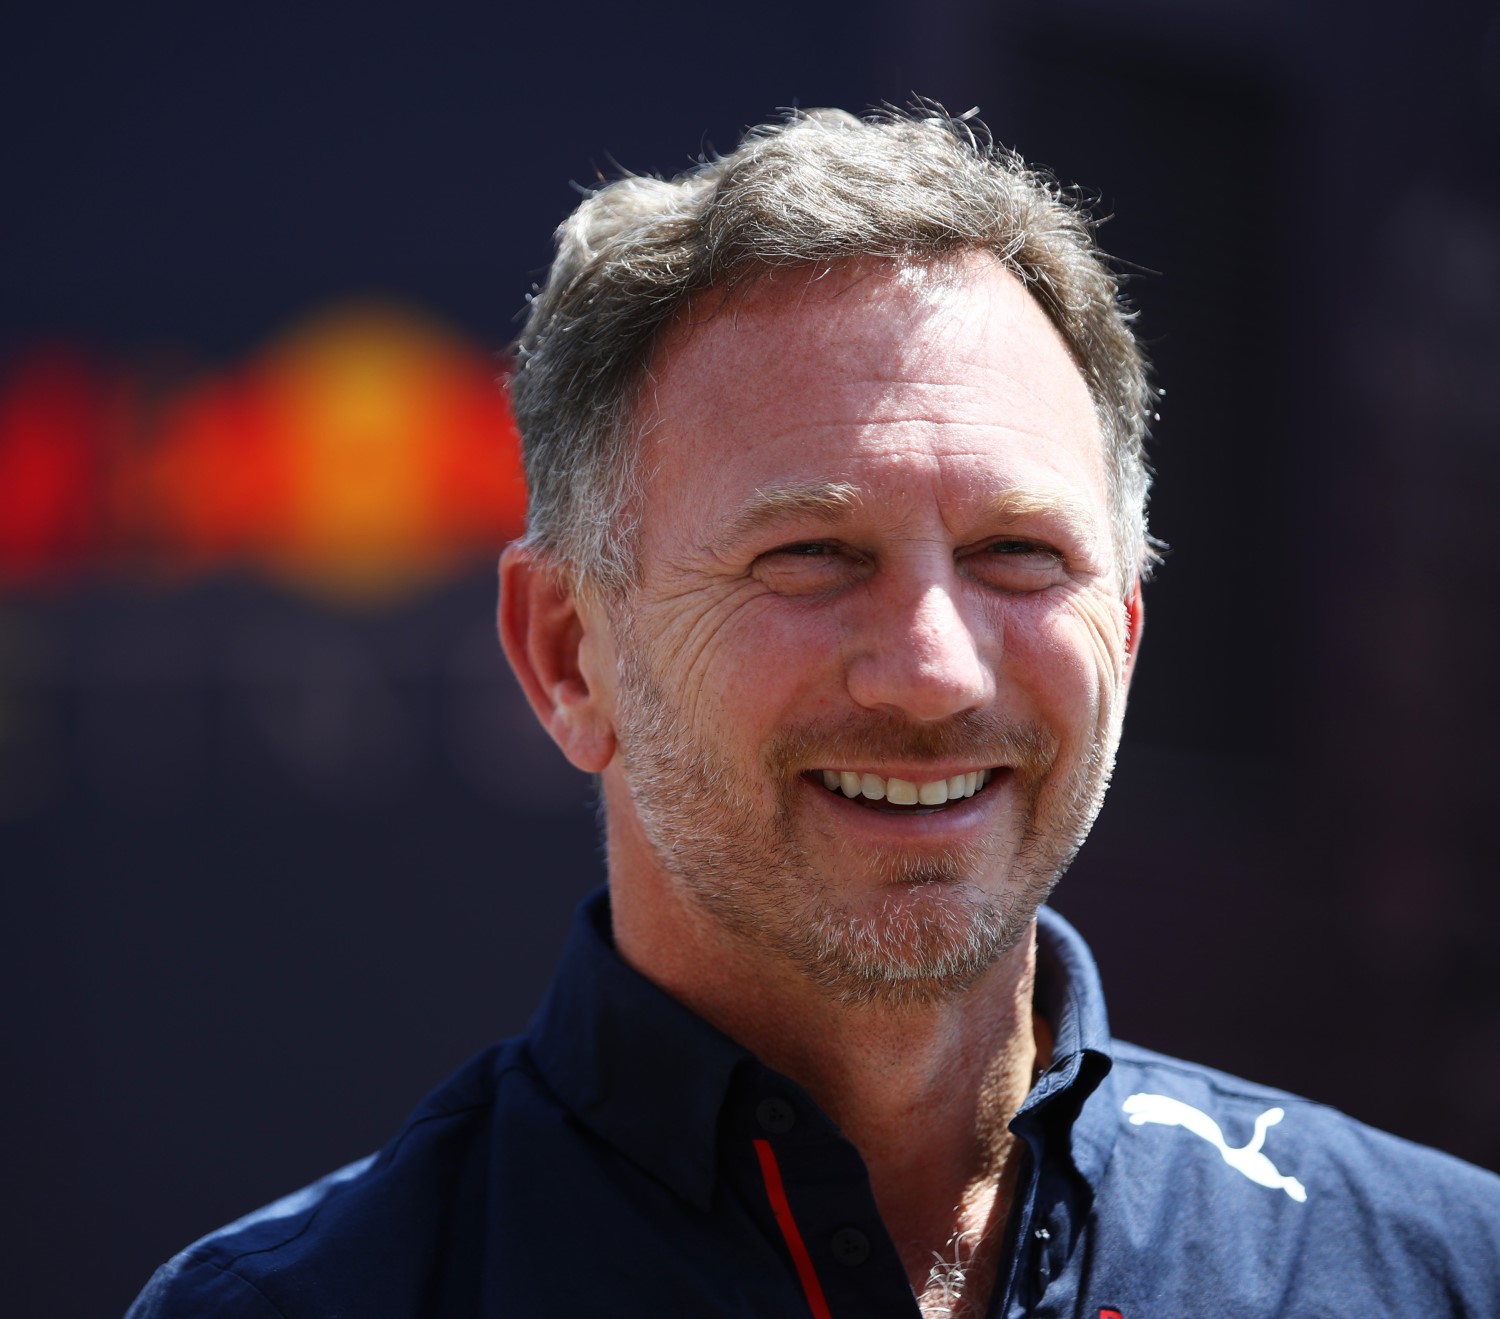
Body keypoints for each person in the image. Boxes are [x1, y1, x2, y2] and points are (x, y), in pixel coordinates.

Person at [128, 105, 1500, 1319]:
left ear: (1124, 634)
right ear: (567, 653)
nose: (936, 673)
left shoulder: (1438, 1273)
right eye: (811, 559)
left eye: (1020, 555)